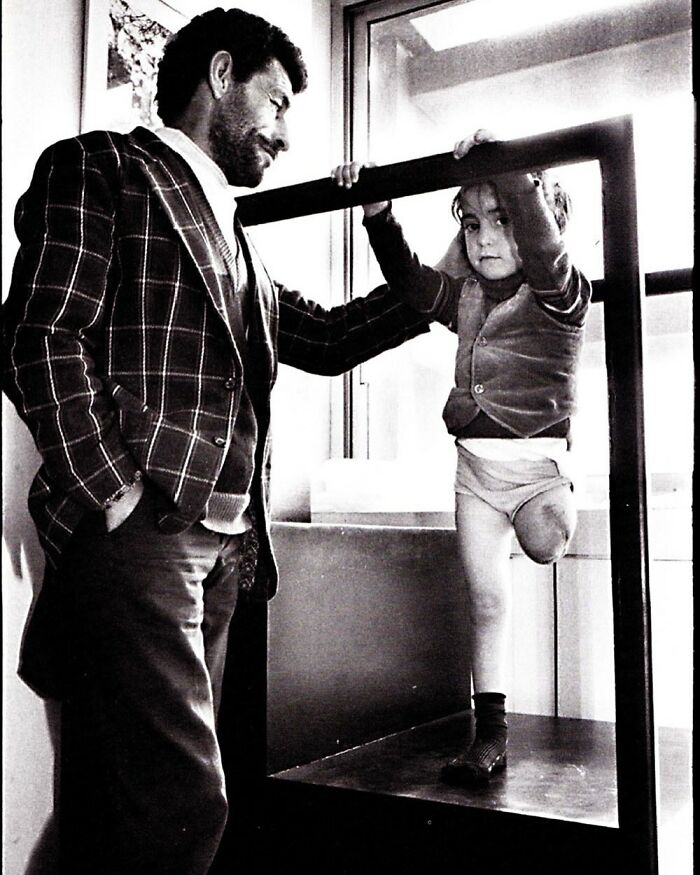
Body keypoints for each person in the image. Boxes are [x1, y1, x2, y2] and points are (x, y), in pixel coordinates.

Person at [1, 9, 433, 873]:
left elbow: (340, 335)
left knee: (107, 812)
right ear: (221, 73)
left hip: (227, 549)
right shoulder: (103, 166)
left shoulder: (239, 242)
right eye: (273, 104)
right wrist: (118, 493)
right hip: (144, 534)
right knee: (180, 808)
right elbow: (39, 335)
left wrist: (383, 224)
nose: (282, 133)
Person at [333, 129, 591, 785]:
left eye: (501, 220)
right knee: (486, 603)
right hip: (474, 474)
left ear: (539, 223)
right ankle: (491, 734)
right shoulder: (468, 292)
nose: (484, 238)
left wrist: (508, 167)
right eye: (472, 224)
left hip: (536, 474)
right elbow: (416, 287)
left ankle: (564, 500)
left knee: (543, 544)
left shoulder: (562, 291)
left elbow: (538, 238)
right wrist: (379, 215)